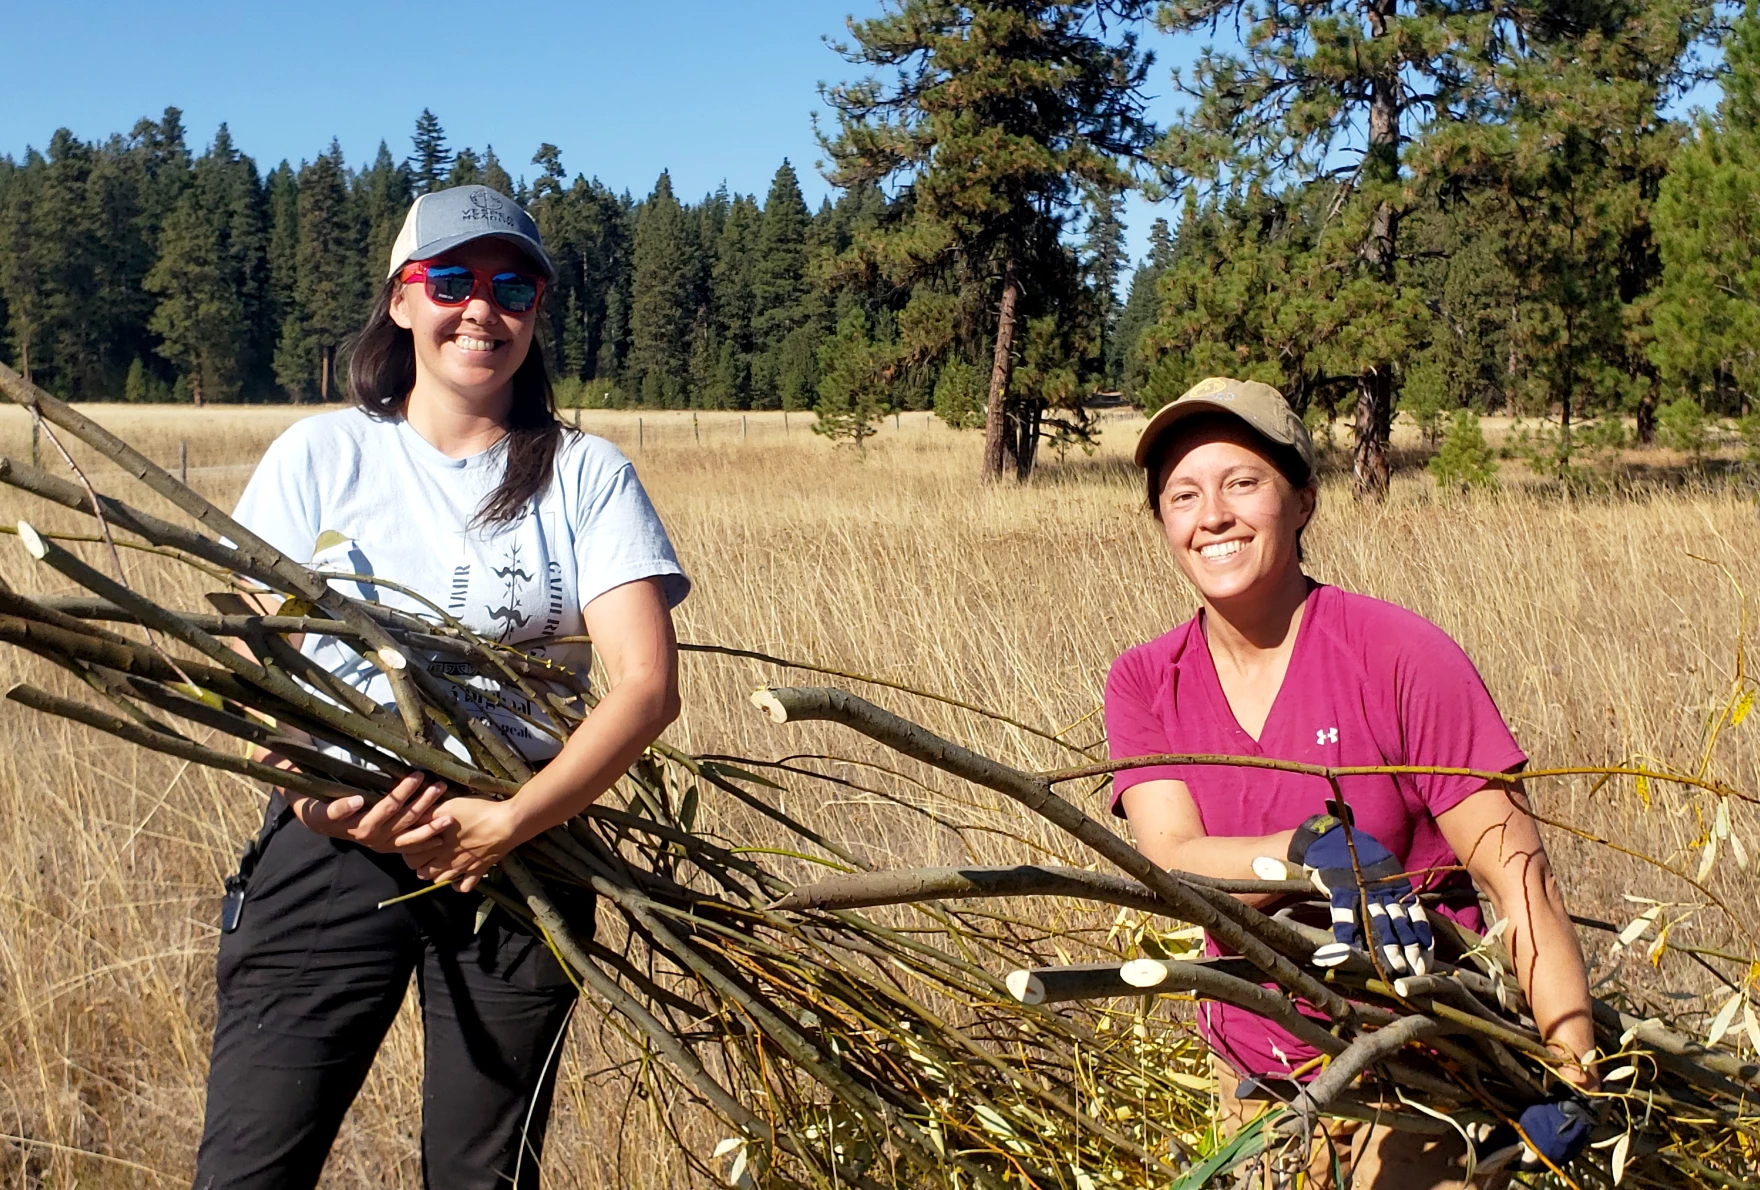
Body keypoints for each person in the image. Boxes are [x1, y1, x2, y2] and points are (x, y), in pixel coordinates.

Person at [192, 185, 689, 1190]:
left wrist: (508, 819)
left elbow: (643, 686)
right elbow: (253, 665)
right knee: (249, 1168)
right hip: (331, 844)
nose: (482, 309)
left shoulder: (585, 472)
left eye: (513, 287)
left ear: (536, 311)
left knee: (482, 1175)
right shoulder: (322, 455)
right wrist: (316, 798)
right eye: (451, 280)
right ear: (402, 302)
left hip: (526, 856)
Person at [1103, 377, 1598, 1188]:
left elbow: (1517, 877)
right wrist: (1312, 850)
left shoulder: (1400, 656)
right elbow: (1174, 861)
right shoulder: (1147, 681)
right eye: (1183, 496)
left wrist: (1572, 1065)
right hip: (1256, 1083)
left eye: (1242, 484)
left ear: (1302, 501)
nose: (1212, 517)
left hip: (1421, 1074)